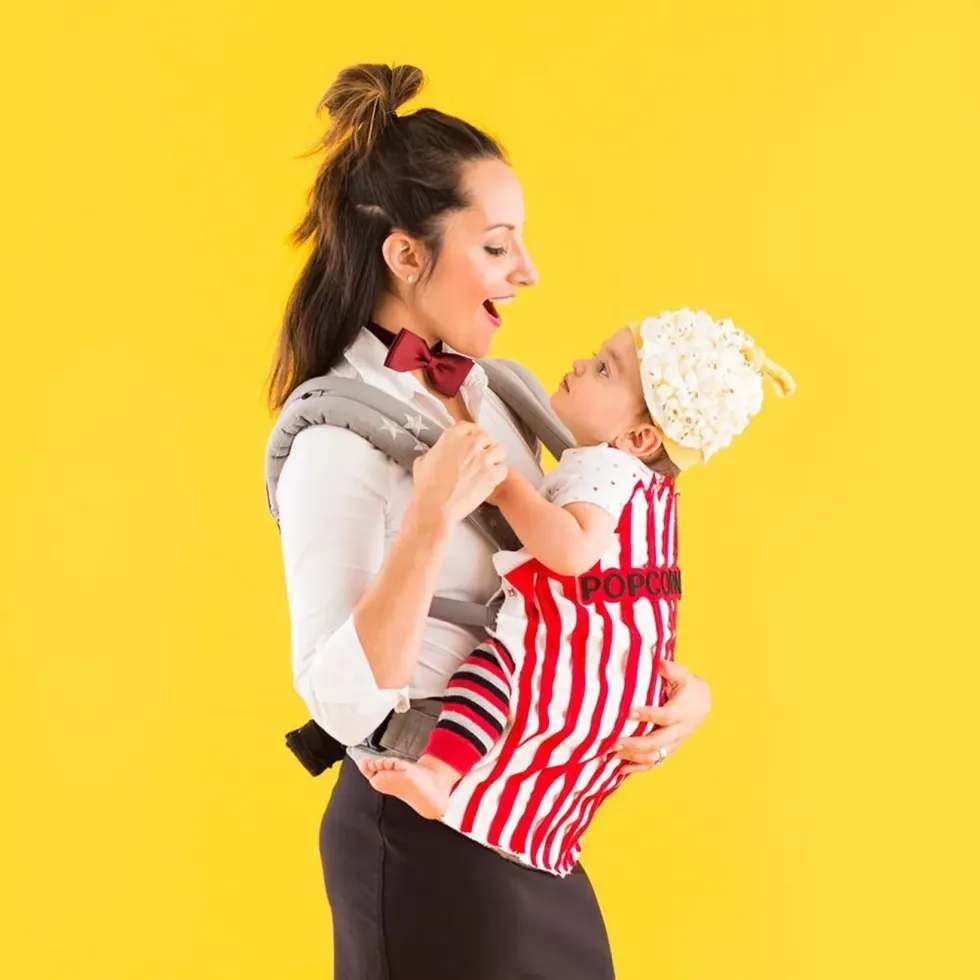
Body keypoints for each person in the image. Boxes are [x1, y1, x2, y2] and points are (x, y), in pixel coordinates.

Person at [271, 62, 713, 980]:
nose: (529, 273)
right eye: (499, 247)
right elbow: (341, 702)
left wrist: (673, 691)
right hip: (422, 830)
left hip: (525, 820)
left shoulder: (492, 389)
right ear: (405, 255)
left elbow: (566, 583)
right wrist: (429, 516)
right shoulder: (335, 439)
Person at [359, 313, 794, 876]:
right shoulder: (646, 483)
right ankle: (485, 802)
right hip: (620, 675)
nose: (580, 365)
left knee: (489, 677)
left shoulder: (605, 470)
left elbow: (571, 552)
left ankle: (441, 775)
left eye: (604, 369)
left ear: (639, 438)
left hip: (568, 651)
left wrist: (506, 485)